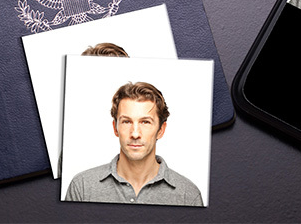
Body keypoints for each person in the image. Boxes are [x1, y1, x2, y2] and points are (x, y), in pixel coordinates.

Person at [64, 82, 203, 206]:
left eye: (145, 122)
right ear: (115, 128)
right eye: (126, 121)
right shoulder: (82, 187)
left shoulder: (188, 195)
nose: (135, 133)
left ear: (161, 130)